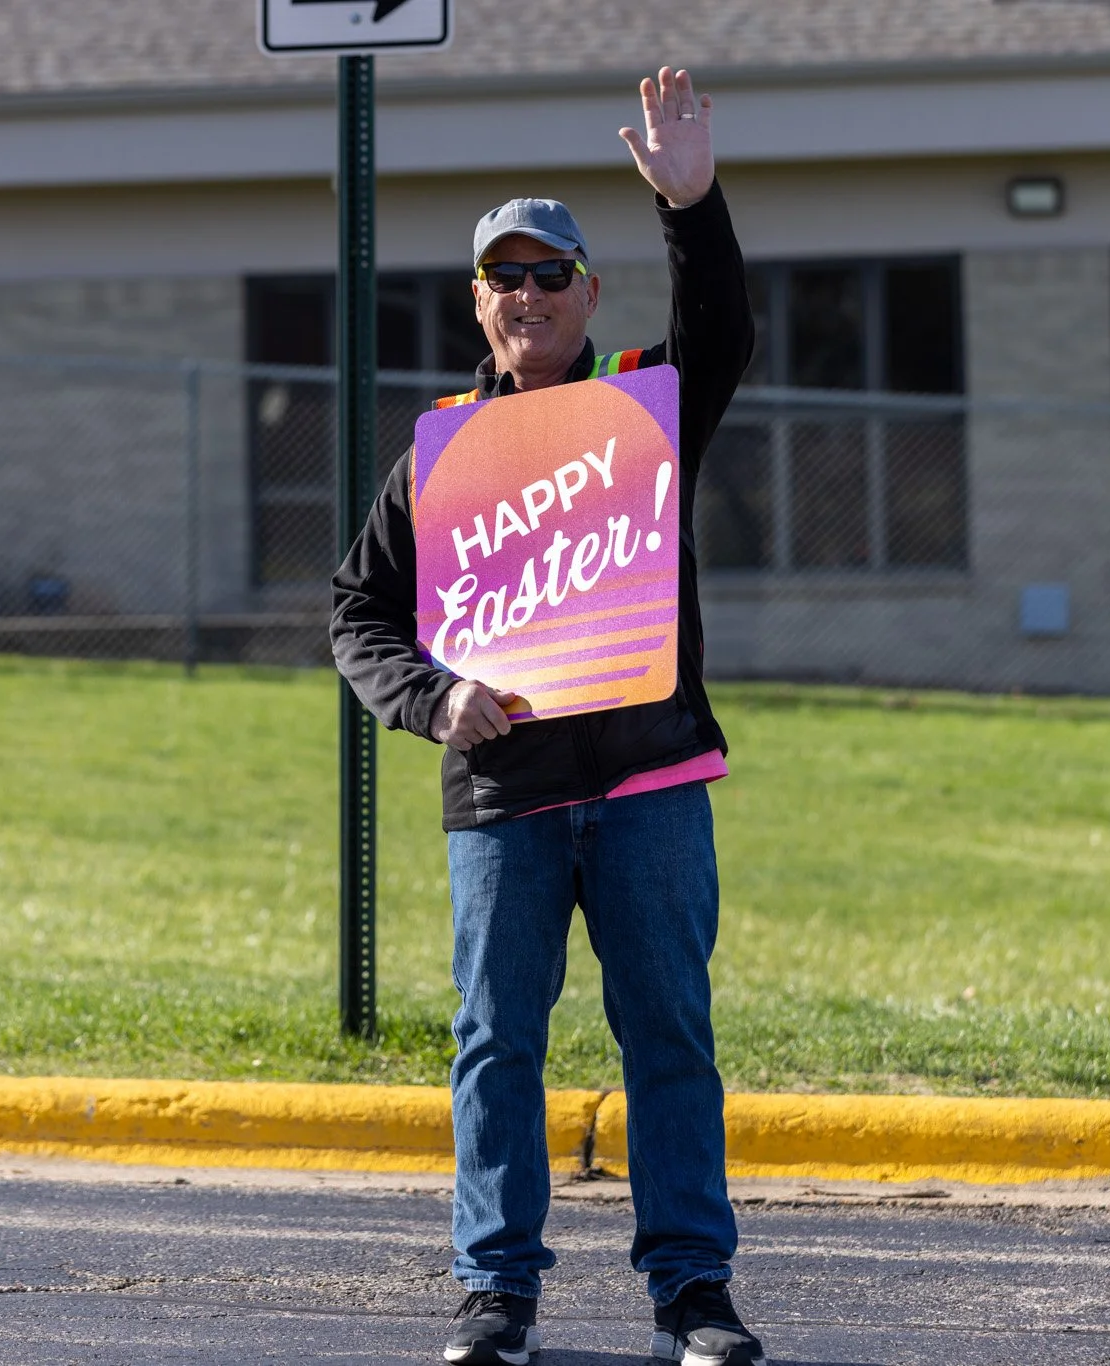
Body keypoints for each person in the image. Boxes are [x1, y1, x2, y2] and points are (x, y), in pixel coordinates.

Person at [331, 66, 761, 1366]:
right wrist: (432, 696)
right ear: (480, 301)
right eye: (502, 278)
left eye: (550, 273)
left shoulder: (645, 401)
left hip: (646, 787)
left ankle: (694, 1293)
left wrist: (693, 206)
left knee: (669, 1040)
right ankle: (495, 1294)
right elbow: (359, 612)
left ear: (588, 293)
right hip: (503, 797)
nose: (527, 296)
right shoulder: (446, 454)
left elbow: (727, 333)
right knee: (495, 1044)